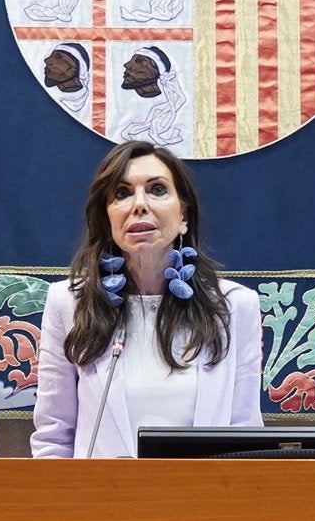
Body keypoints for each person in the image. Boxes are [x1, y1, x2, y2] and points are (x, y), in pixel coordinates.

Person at [31, 139, 263, 458]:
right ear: (107, 219)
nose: (139, 204)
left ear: (184, 216)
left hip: (204, 490)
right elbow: (54, 439)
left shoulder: (235, 307)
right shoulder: (69, 303)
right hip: (101, 490)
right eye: (122, 193)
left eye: (157, 190)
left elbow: (245, 437)